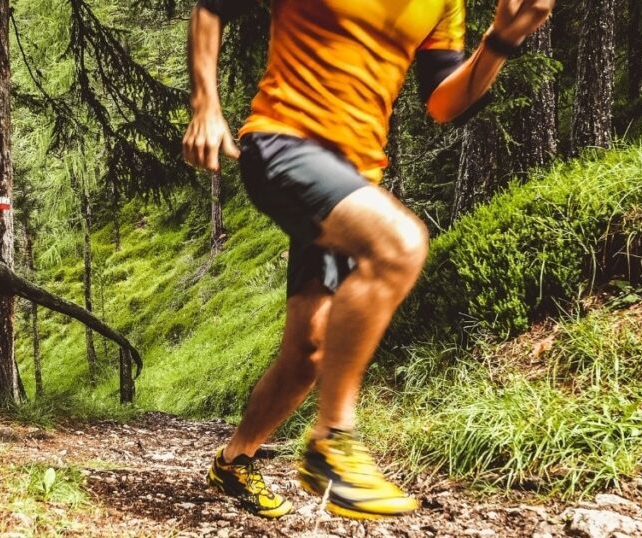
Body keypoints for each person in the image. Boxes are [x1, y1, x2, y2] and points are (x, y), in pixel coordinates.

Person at [183, 0, 554, 520]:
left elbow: (444, 102)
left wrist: (499, 41)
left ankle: (233, 460)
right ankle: (333, 440)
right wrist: (206, 105)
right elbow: (211, 7)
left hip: (351, 178)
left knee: (308, 352)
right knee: (398, 243)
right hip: (282, 143)